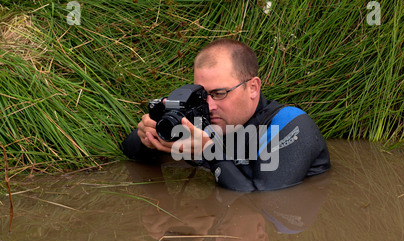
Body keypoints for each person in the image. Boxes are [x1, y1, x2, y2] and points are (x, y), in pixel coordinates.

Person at [121, 39, 330, 192]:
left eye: (219, 93)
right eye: (202, 95)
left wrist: (210, 152)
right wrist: (147, 136)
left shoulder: (291, 125)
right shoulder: (205, 116)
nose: (209, 105)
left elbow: (262, 200)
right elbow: (130, 151)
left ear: (253, 88)